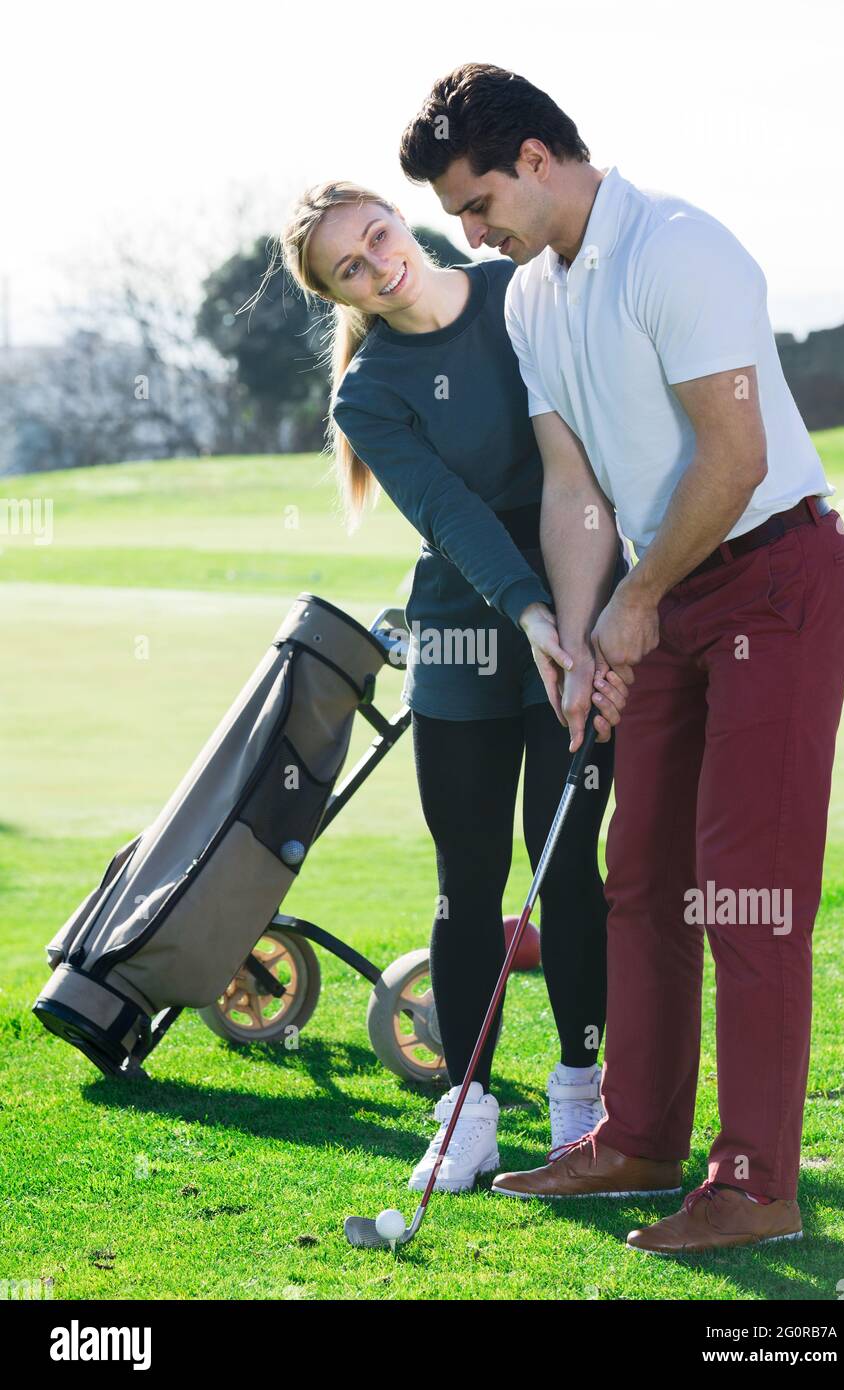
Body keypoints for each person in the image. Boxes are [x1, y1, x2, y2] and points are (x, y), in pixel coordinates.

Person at [400, 63, 844, 1251]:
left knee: (741, 890)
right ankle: (637, 1137)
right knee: (637, 875)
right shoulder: (525, 297)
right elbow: (572, 487)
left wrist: (635, 602)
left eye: (477, 202)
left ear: (539, 161)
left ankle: (756, 1180)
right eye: (458, 215)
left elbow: (734, 452)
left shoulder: (677, 247)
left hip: (773, 574)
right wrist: (573, 631)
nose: (469, 232)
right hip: (662, 595)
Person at [272, 181, 628, 1193]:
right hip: (468, 626)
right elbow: (449, 512)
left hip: (581, 592)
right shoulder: (368, 391)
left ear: (397, 215)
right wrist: (529, 614)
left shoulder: (518, 289)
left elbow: (591, 449)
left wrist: (585, 612)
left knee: (563, 864)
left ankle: (578, 1093)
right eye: (349, 265)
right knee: (464, 877)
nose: (377, 262)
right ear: (339, 289)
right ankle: (466, 1115)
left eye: (377, 234)